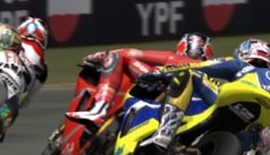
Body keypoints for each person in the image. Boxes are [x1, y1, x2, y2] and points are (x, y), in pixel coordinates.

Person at [137, 38, 270, 155]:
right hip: (262, 118)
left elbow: (202, 66)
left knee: (188, 74)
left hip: (234, 97)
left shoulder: (241, 65)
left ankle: (165, 134)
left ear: (245, 52)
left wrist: (162, 73)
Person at [64, 33, 214, 127]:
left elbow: (129, 53)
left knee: (115, 57)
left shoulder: (174, 58)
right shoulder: (211, 69)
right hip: (186, 113)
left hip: (161, 87)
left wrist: (98, 56)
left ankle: (99, 108)